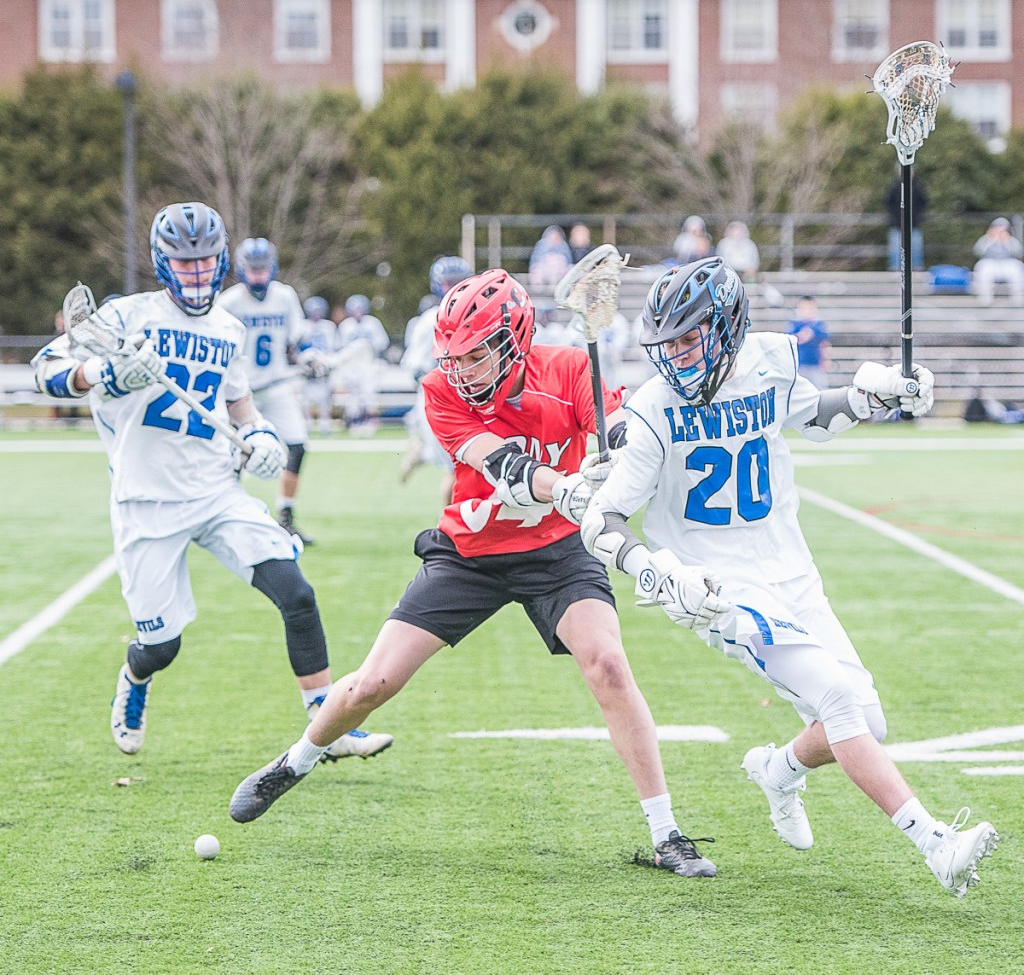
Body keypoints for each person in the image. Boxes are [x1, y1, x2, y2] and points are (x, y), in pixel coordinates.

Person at [229, 268, 718, 879]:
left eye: (473, 356)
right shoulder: (442, 390)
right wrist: (565, 486)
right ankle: (296, 761)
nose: (459, 370)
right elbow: (503, 465)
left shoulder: (568, 369)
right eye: (453, 357)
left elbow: (616, 425)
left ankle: (666, 831)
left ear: (513, 341)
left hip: (559, 553)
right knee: (372, 684)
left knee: (609, 665)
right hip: (471, 553)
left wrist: (614, 451)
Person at [565, 256, 997, 898]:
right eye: (669, 344)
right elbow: (602, 520)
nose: (678, 357)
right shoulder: (654, 409)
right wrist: (657, 569)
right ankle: (935, 843)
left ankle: (779, 770)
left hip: (792, 569)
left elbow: (810, 416)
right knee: (839, 701)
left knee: (864, 723)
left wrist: (871, 398)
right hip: (719, 588)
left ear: (727, 326)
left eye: (690, 338)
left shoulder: (768, 361)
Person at [31, 201, 392, 763]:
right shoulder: (127, 318)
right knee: (162, 644)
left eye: (205, 263)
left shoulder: (227, 326)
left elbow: (238, 402)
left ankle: (330, 724)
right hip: (145, 500)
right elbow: (45, 371)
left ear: (221, 261)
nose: (197, 274)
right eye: (184, 263)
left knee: (296, 593)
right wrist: (102, 372)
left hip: (217, 492)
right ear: (163, 263)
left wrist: (262, 434)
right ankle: (134, 677)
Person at [217, 238, 327, 545]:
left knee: (297, 446)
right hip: (241, 391)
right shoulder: (229, 302)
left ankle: (286, 517)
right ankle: (229, 518)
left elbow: (298, 339)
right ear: (241, 270)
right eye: (252, 270)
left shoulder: (284, 296)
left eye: (262, 269)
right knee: (234, 454)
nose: (258, 276)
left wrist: (310, 357)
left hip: (277, 385)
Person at [398, 256, 472, 501]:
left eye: (458, 282)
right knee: (457, 469)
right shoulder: (430, 319)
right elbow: (415, 368)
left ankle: (422, 454)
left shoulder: (474, 314)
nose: (452, 289)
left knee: (465, 464)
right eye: (446, 283)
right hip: (438, 400)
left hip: (466, 398)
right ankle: (452, 529)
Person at [337, 294, 390, 436]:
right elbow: (342, 348)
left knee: (369, 394)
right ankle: (355, 423)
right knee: (354, 396)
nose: (358, 312)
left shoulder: (373, 323)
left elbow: (381, 344)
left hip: (369, 363)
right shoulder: (345, 326)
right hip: (352, 366)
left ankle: (371, 423)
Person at [301, 296, 340, 436]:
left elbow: (333, 347)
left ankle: (325, 424)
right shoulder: (302, 325)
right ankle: (307, 423)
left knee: (325, 398)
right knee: (305, 398)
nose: (316, 314)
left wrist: (327, 362)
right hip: (307, 366)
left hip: (324, 364)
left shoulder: (329, 326)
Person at [972, 217, 1024, 305]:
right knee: (982, 268)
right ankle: (985, 300)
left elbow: (1019, 253)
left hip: (1007, 263)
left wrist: (1007, 242)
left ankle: (1018, 300)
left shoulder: (1011, 240)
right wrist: (991, 240)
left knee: (1018, 268)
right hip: (990, 262)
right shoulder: (985, 239)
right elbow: (978, 251)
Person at [786, 295, 832, 390]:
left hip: (815, 365)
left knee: (819, 390)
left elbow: (824, 344)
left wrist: (826, 359)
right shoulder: (794, 325)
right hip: (799, 365)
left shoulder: (819, 325)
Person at [886, 177, 926, 272]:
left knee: (916, 250)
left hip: (914, 225)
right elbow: (888, 203)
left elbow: (923, 202)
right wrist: (896, 218)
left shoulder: (917, 188)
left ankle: (916, 271)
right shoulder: (894, 188)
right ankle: (895, 271)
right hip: (897, 225)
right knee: (896, 251)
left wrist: (916, 216)